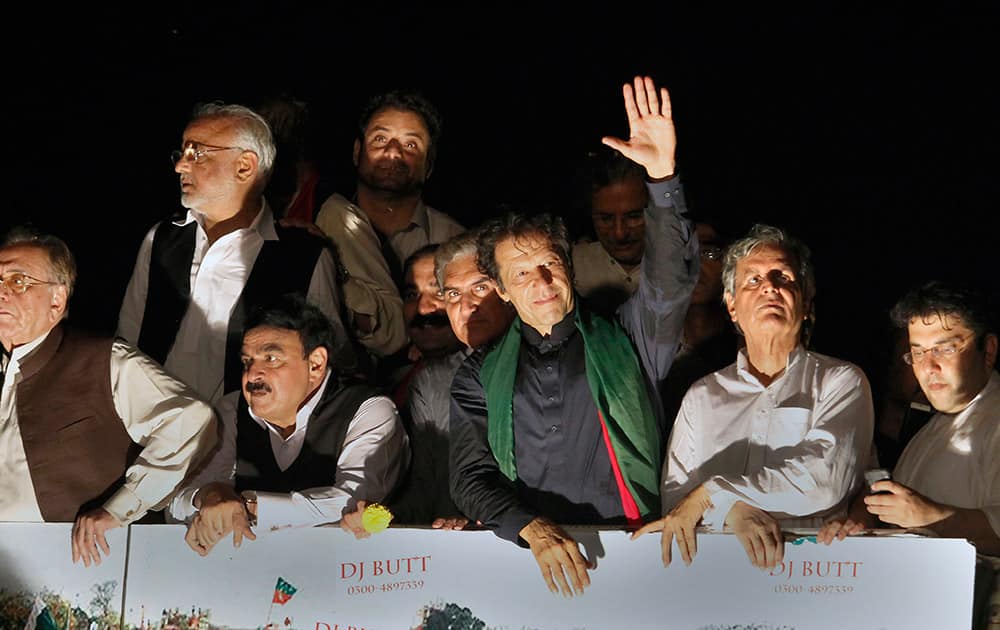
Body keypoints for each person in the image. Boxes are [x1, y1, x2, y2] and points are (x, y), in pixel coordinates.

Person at [448, 76, 698, 597]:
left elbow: (669, 282)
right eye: (521, 274)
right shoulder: (478, 373)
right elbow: (469, 478)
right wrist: (532, 530)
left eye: (549, 263)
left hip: (636, 555)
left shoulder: (630, 339)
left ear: (568, 264)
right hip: (530, 563)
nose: (540, 282)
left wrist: (662, 180)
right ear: (500, 290)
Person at [634, 223, 875, 572]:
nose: (770, 289)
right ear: (732, 307)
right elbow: (677, 501)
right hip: (715, 578)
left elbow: (823, 481)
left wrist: (713, 494)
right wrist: (733, 510)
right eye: (753, 281)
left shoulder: (841, 382)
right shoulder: (702, 396)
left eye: (784, 277)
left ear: (806, 303)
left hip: (814, 577)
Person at [117, 102, 359, 433]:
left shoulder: (302, 257)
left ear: (245, 166)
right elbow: (126, 346)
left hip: (243, 453)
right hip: (151, 438)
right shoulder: (162, 239)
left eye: (198, 153)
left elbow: (332, 364)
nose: (181, 167)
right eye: (182, 153)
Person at [0, 225, 216, 566]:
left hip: (79, 567)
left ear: (57, 300)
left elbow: (191, 422)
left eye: (18, 281)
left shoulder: (102, 361)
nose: (3, 292)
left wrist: (120, 507)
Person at [818, 281, 998, 628]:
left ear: (987, 350)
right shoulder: (931, 428)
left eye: (945, 349)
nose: (927, 367)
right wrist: (860, 523)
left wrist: (929, 516)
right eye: (917, 352)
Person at [174, 293, 409, 556]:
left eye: (271, 359)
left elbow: (352, 501)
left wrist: (247, 506)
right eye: (247, 361)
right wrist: (211, 496)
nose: (252, 375)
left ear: (316, 365)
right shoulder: (232, 409)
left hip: (346, 571)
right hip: (249, 569)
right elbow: (176, 499)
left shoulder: (368, 409)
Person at [313, 88, 465, 365]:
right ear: (358, 152)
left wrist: (340, 277)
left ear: (428, 166)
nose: (393, 151)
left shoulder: (454, 240)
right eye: (380, 139)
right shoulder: (325, 222)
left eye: (410, 145)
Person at [389, 230, 516, 528]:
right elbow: (425, 488)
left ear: (507, 291)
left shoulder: (548, 364)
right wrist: (377, 518)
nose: (466, 305)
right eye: (454, 294)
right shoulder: (431, 383)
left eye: (480, 288)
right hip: (454, 548)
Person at [660, 220, 739, 433]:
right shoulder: (651, 349)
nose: (692, 266)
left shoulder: (750, 349)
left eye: (708, 253)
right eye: (682, 253)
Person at [570, 145, 649, 312]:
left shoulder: (683, 267)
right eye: (605, 219)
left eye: (634, 217)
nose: (620, 234)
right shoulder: (571, 267)